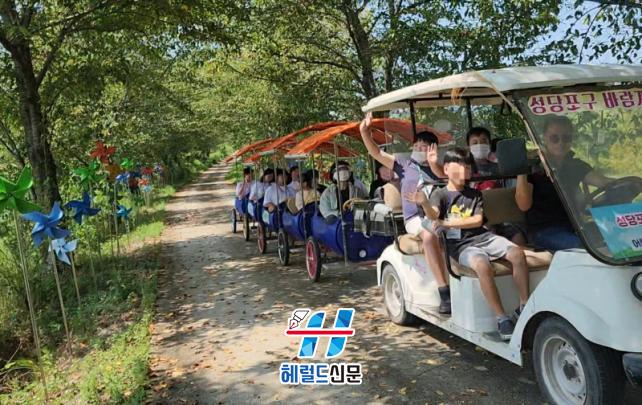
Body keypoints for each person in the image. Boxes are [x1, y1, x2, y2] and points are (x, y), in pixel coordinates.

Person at [419, 147, 529, 340]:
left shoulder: (475, 194)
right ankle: (502, 318)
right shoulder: (440, 195)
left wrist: (446, 223)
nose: (465, 169)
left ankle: (524, 306)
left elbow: (477, 221)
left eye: (468, 166)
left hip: (483, 237)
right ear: (446, 169)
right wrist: (425, 204)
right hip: (461, 245)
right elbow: (434, 215)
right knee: (481, 264)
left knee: (517, 253)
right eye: (460, 165)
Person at [360, 112, 452, 314]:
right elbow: (376, 153)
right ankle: (444, 292)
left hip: (440, 215)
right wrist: (364, 132)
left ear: (433, 150)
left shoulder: (440, 167)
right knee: (429, 235)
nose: (418, 149)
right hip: (415, 218)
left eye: (424, 147)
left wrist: (434, 164)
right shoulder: (404, 163)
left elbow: (449, 183)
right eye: (416, 145)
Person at [515, 116, 613, 251]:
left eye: (566, 138)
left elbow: (604, 182)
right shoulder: (532, 167)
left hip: (576, 226)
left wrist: (631, 183)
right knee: (584, 248)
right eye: (554, 138)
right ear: (544, 138)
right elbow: (523, 205)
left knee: (617, 235)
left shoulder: (575, 165)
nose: (561, 143)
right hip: (545, 230)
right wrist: (521, 168)